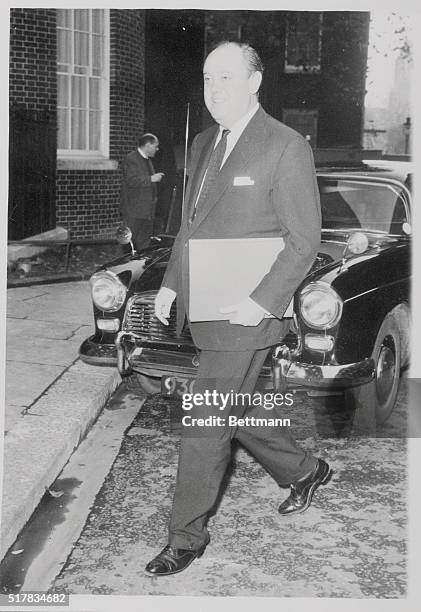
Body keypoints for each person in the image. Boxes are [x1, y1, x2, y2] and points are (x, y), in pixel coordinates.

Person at [146, 41, 332, 577]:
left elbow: (304, 240)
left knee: (204, 418)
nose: (214, 88)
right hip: (205, 300)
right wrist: (171, 283)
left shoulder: (285, 145)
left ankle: (186, 536)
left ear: (254, 82)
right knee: (232, 407)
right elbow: (191, 223)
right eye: (207, 78)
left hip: (247, 312)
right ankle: (305, 470)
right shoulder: (204, 141)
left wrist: (261, 301)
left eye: (226, 77)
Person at [119, 133, 164, 251]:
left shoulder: (147, 160)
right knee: (129, 243)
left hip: (147, 211)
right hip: (134, 211)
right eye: (156, 146)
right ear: (148, 145)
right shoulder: (131, 158)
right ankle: (124, 267)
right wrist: (151, 179)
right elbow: (131, 181)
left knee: (144, 243)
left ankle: (140, 267)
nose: (157, 149)